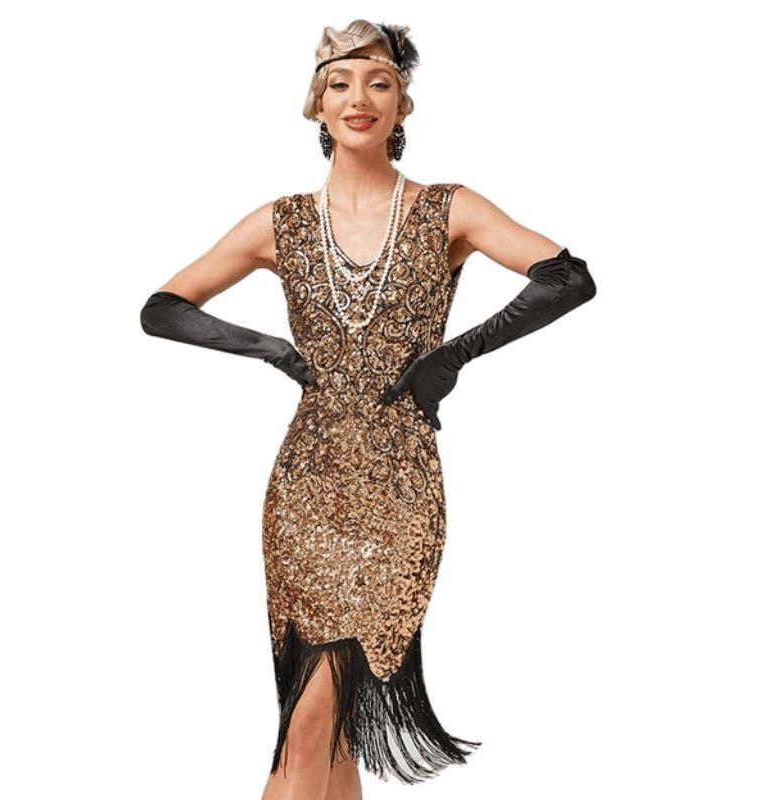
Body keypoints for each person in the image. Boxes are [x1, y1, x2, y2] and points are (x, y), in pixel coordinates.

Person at [139, 19, 596, 799]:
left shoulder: (447, 209)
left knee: (323, 718)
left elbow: (567, 277)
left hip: (399, 489)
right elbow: (164, 308)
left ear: (402, 105)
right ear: (316, 106)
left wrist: (451, 357)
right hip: (306, 488)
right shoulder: (281, 222)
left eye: (379, 83)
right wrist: (272, 350)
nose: (360, 98)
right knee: (322, 727)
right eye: (340, 84)